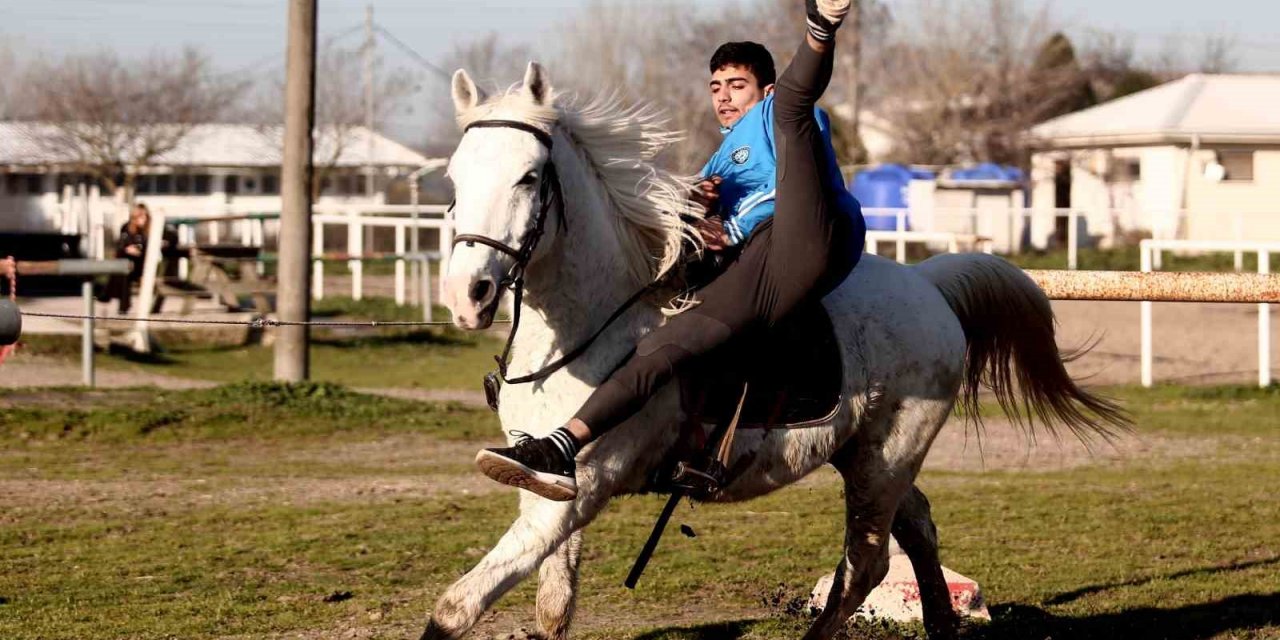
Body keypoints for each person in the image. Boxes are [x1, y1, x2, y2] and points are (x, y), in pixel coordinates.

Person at [475, 0, 867, 501]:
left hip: (809, 236)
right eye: (715, 87)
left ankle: (819, 23)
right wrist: (693, 208)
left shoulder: (781, 111)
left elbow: (782, 167)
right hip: (764, 255)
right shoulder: (722, 152)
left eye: (737, 85)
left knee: (794, 107)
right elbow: (712, 223)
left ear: (763, 88)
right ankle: (586, 435)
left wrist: (822, 31)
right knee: (661, 329)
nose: (723, 97)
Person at [104, 203, 176, 314]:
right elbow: (121, 245)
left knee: (123, 269)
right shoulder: (126, 227)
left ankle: (107, 295)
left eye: (143, 216)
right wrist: (129, 249)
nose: (140, 220)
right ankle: (121, 304)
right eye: (137, 217)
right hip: (130, 263)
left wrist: (162, 243)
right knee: (124, 267)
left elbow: (171, 237)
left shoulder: (153, 228)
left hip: (145, 265)